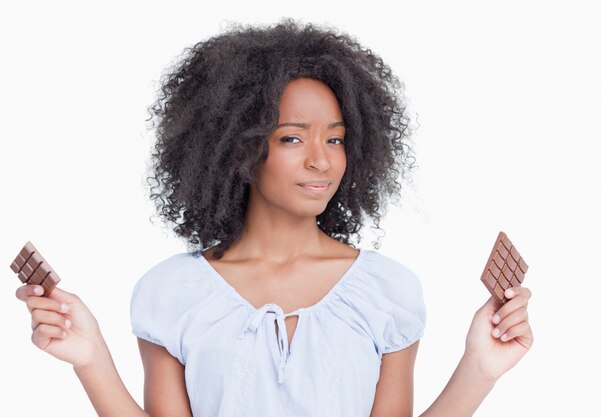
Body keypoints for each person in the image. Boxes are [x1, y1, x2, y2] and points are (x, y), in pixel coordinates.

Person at [15, 19, 533, 417]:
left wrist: (479, 370)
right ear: (235, 147)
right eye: (292, 137)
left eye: (335, 138)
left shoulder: (386, 292)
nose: (321, 159)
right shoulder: (171, 294)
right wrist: (90, 360)